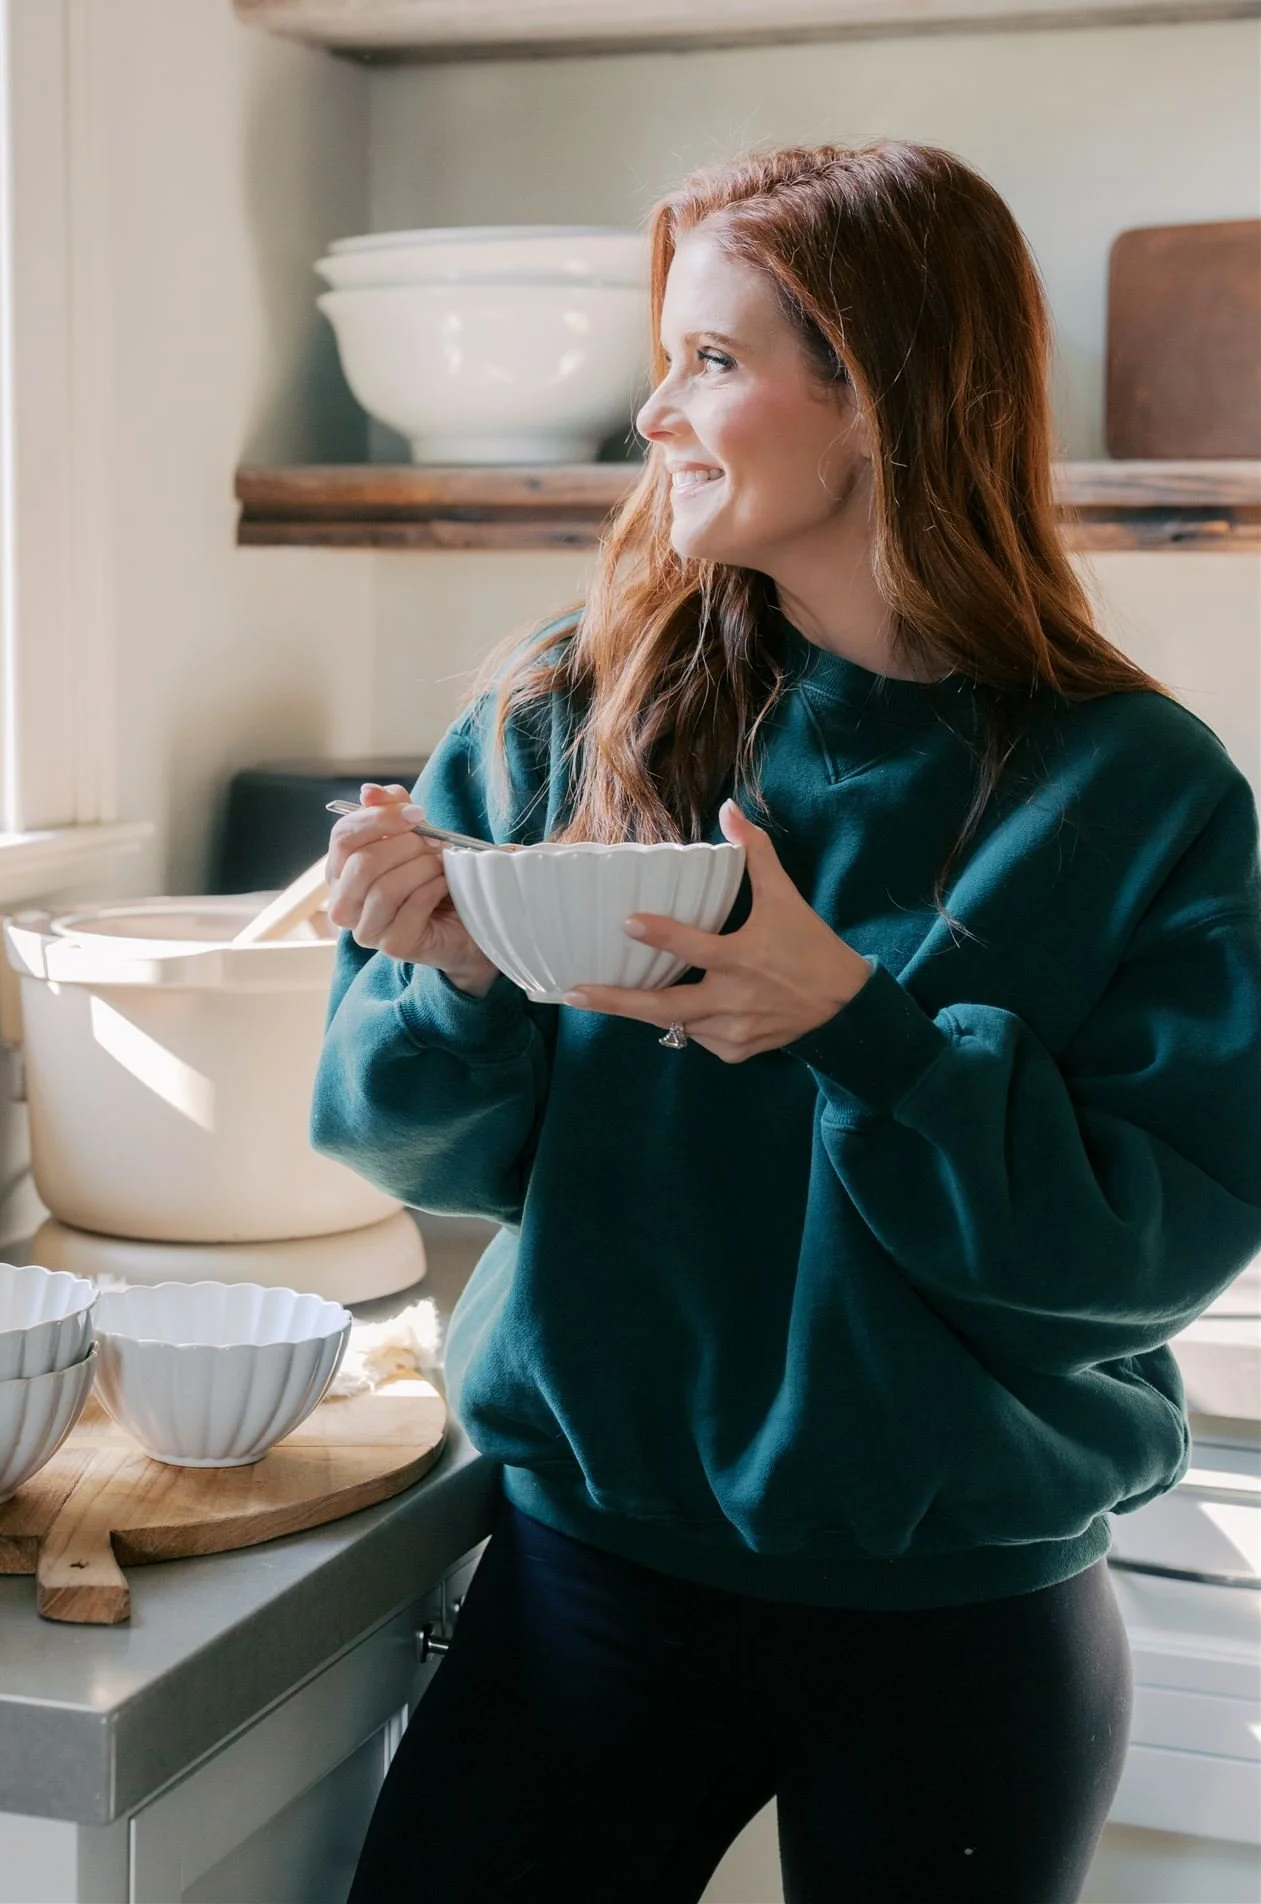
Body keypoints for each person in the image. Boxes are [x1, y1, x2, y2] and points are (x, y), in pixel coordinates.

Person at [313, 142, 1261, 1904]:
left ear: (887, 398)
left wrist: (863, 1033)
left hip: (966, 1614)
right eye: (663, 360)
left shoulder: (1140, 792)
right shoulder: (566, 718)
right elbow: (405, 1149)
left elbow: (1149, 1251)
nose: (653, 415)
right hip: (589, 1583)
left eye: (715, 362)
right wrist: (445, 967)